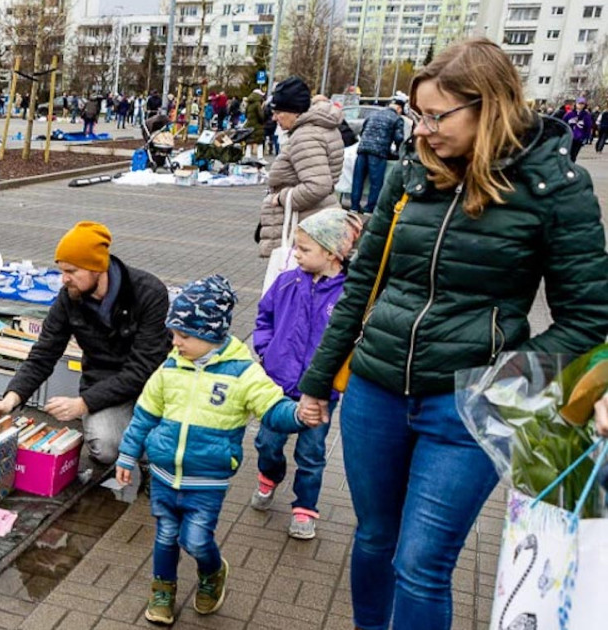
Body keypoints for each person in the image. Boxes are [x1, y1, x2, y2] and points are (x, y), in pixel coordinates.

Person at [297, 39, 608, 630]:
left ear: (489, 107)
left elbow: (589, 317)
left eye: (437, 116)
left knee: (421, 563)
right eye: (418, 114)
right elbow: (362, 284)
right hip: (375, 391)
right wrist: (318, 382)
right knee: (374, 540)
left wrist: (505, 382)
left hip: (467, 406)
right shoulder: (410, 173)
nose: (422, 130)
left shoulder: (555, 187)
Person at [115, 275, 310, 625]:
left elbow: (272, 407)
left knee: (196, 539)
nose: (175, 343)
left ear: (211, 335)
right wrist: (128, 455)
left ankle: (213, 572)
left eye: (184, 336)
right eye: (173, 334)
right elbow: (144, 414)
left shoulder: (244, 373)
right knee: (165, 534)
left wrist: (298, 414)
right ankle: (163, 590)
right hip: (163, 473)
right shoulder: (170, 367)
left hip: (207, 479)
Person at [0, 222, 172, 466]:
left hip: (155, 386)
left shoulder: (148, 292)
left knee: (171, 442)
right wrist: (11, 399)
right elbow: (44, 354)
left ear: (97, 268)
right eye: (61, 270)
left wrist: (83, 404)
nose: (64, 279)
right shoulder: (69, 298)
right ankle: (141, 445)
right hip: (103, 384)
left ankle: (156, 458)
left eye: (71, 271)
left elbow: (143, 368)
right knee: (105, 448)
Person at [251, 209, 363, 540]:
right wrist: (265, 348)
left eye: (304, 249)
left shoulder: (349, 294)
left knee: (312, 453)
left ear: (331, 253)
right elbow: (264, 315)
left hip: (321, 391)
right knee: (267, 441)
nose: (296, 254)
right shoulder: (287, 281)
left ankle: (305, 508)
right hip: (277, 383)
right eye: (296, 248)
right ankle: (270, 475)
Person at [257, 76, 344, 258]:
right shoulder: (320, 127)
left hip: (306, 225)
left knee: (294, 280)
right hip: (316, 220)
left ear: (294, 111)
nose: (274, 117)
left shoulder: (305, 136)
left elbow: (317, 185)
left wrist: (281, 197)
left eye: (278, 111)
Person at [350, 99, 406, 213]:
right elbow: (399, 138)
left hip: (362, 149)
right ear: (399, 109)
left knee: (358, 179)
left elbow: (362, 131)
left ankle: (354, 207)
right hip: (378, 152)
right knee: (375, 182)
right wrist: (399, 151)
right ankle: (369, 208)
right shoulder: (397, 118)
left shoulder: (374, 114)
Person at [564, 97, 593, 161]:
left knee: (573, 155)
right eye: (579, 103)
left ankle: (571, 167)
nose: (581, 105)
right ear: (576, 104)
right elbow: (563, 124)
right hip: (569, 137)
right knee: (566, 154)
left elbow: (588, 127)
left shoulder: (586, 115)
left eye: (582, 104)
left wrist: (586, 137)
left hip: (579, 138)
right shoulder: (570, 114)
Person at [243, 89, 265, 159]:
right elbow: (261, 116)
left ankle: (247, 156)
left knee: (249, 141)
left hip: (249, 124)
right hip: (257, 125)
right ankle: (260, 157)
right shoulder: (257, 104)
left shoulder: (249, 103)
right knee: (259, 142)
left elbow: (246, 115)